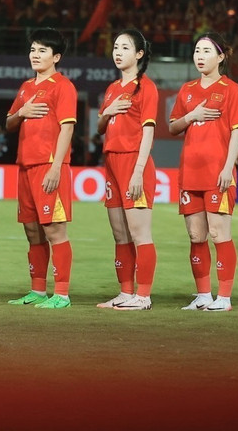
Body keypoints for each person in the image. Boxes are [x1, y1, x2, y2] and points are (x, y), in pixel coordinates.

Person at [169, 32, 238, 311]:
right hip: (190, 172)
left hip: (218, 173)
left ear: (221, 57)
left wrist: (230, 166)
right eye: (197, 51)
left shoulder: (231, 89)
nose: (199, 56)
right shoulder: (187, 90)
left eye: (206, 51)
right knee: (195, 235)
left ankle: (223, 297)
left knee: (218, 232)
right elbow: (173, 126)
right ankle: (203, 295)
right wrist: (191, 116)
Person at [5, 28, 77, 309]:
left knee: (54, 230)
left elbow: (67, 126)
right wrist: (21, 112)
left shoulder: (63, 86)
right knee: (32, 231)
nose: (35, 55)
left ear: (56, 56)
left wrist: (56, 167)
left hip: (49, 167)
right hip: (25, 166)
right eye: (33, 49)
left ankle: (61, 294)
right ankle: (37, 291)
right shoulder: (25, 88)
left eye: (42, 50)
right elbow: (10, 122)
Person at [95, 29, 159, 311]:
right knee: (119, 233)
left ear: (139, 54)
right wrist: (107, 112)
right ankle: (125, 293)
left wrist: (137, 171)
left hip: (135, 163)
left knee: (139, 233)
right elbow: (99, 127)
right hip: (112, 164)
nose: (117, 52)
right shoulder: (111, 89)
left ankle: (143, 297)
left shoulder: (147, 87)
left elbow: (148, 132)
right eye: (115, 47)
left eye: (124, 47)